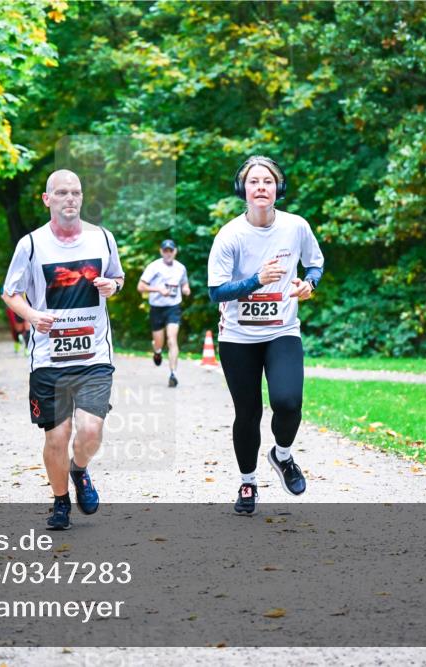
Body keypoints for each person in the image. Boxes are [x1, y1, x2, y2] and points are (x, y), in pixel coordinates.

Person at [1, 169, 125, 530]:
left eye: (76, 192)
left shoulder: (102, 238)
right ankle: (60, 503)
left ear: (82, 198)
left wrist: (112, 287)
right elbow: (10, 292)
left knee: (90, 431)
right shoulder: (32, 244)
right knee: (57, 435)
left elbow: (118, 277)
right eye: (62, 193)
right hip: (49, 358)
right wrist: (32, 315)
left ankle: (80, 470)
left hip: (93, 355)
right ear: (47, 199)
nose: (70, 199)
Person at [207, 155, 325, 515]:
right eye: (254, 181)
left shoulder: (296, 227)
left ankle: (283, 456)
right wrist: (256, 280)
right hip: (238, 337)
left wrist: (309, 284)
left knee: (288, 402)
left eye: (268, 181)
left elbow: (315, 263)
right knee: (248, 412)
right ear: (243, 189)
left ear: (278, 189)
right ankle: (248, 482)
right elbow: (216, 292)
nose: (261, 187)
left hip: (282, 330)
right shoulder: (230, 235)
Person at [137, 239, 190, 387]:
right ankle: (157, 351)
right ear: (161, 251)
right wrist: (158, 289)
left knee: (172, 340)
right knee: (159, 342)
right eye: (165, 250)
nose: (168, 253)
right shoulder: (154, 267)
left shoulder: (181, 268)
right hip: (157, 308)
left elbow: (184, 283)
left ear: (175, 252)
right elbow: (140, 287)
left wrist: (186, 289)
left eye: (170, 250)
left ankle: (173, 374)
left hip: (173, 307)